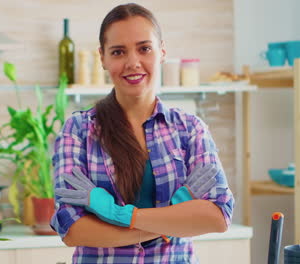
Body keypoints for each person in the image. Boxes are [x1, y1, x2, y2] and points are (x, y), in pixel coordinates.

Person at [50, 3, 234, 264]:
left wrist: (118, 215)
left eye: (144, 48)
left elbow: (218, 216)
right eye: (118, 52)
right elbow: (71, 228)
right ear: (103, 58)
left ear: (162, 51)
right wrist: (174, 219)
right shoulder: (78, 131)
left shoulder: (190, 130)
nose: (133, 63)